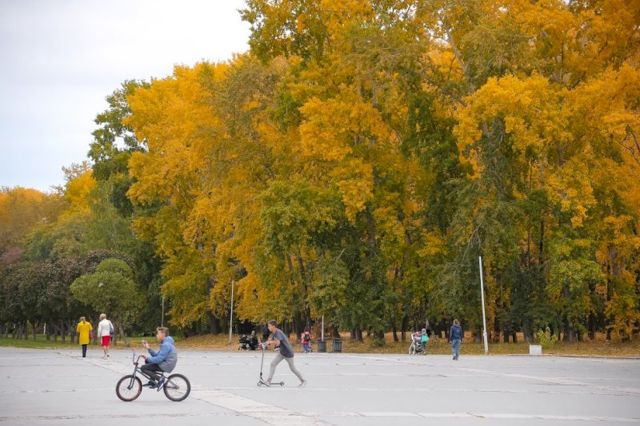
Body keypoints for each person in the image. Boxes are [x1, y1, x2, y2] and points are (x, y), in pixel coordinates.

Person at [264, 320, 306, 387]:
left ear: (273, 326)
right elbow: (273, 342)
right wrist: (265, 343)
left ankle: (303, 381)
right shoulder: (274, 333)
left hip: (288, 353)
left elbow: (277, 343)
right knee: (273, 364)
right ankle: (269, 381)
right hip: (282, 352)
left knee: (292, 368)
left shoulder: (278, 332)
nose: (268, 327)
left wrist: (270, 342)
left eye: (269, 326)